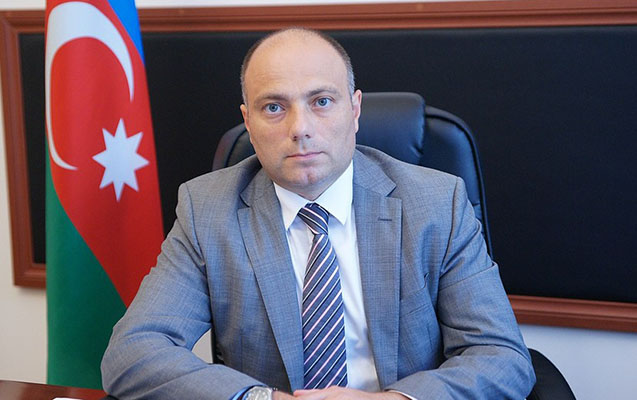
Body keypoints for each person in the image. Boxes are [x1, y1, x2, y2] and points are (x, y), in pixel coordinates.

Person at [101, 28, 536, 400]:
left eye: (322, 101)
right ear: (248, 122)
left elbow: (501, 357)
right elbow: (132, 353)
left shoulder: (437, 204)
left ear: (355, 109)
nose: (300, 128)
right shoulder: (208, 210)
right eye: (274, 107)